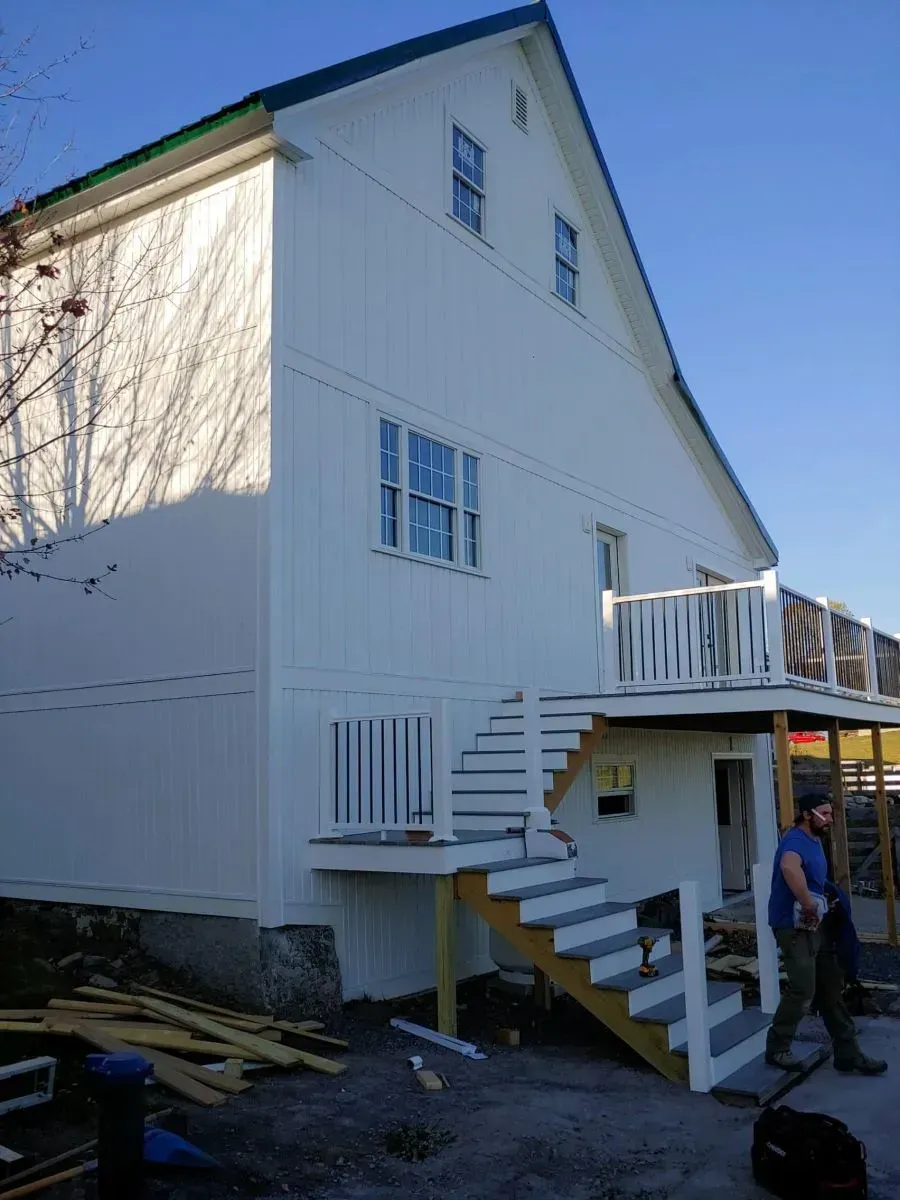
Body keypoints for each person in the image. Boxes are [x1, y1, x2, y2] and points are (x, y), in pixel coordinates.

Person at [765, 792, 887, 1075]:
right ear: (807, 815)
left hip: (816, 926)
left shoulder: (815, 840)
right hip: (793, 928)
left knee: (831, 989)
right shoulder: (795, 841)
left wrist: (825, 901)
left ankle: (848, 1054)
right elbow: (788, 867)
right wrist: (808, 903)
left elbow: (815, 878)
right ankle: (777, 1048)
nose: (830, 818)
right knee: (803, 989)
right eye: (825, 813)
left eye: (831, 813)